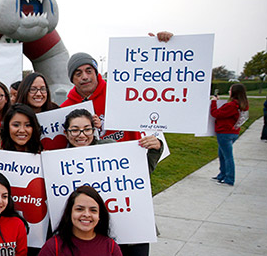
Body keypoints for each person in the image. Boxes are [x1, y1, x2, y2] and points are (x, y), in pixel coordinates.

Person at [61, 108, 161, 256]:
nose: (81, 135)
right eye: (75, 130)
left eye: (87, 129)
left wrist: (156, 148)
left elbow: (140, 174)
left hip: (131, 234)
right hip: (92, 238)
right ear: (66, 133)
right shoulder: (60, 161)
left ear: (94, 130)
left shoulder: (111, 147)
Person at [60, 32, 172, 142]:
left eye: (89, 71)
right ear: (72, 80)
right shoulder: (65, 109)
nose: (84, 77)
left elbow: (148, 82)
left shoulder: (121, 91)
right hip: (94, 160)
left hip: (131, 155)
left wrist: (157, 49)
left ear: (96, 73)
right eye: (78, 74)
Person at [38, 186, 121, 256]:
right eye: (79, 209)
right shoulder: (53, 246)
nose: (86, 214)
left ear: (100, 216)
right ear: (70, 212)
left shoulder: (111, 247)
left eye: (93, 210)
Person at [211, 83, 249, 186]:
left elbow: (216, 114)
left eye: (230, 90)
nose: (229, 92)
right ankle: (222, 175)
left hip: (224, 132)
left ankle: (229, 178)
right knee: (222, 155)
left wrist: (214, 103)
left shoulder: (231, 105)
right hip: (233, 132)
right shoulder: (242, 104)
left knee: (227, 157)